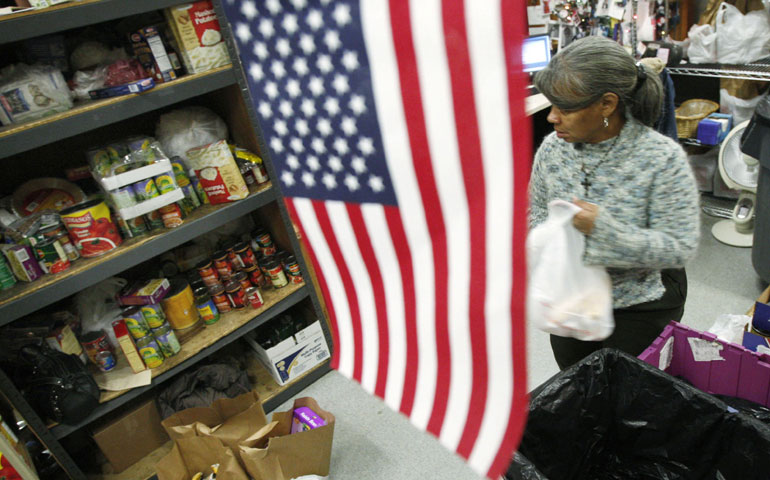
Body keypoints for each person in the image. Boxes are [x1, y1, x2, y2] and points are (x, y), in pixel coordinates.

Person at [529, 36, 700, 370]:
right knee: (576, 389)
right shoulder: (552, 150)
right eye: (552, 105)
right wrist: (547, 236)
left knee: (628, 397)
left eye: (565, 108)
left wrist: (605, 231)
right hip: (572, 298)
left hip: (642, 304)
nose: (552, 117)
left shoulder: (661, 159)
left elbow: (678, 247)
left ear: (606, 104)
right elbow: (535, 208)